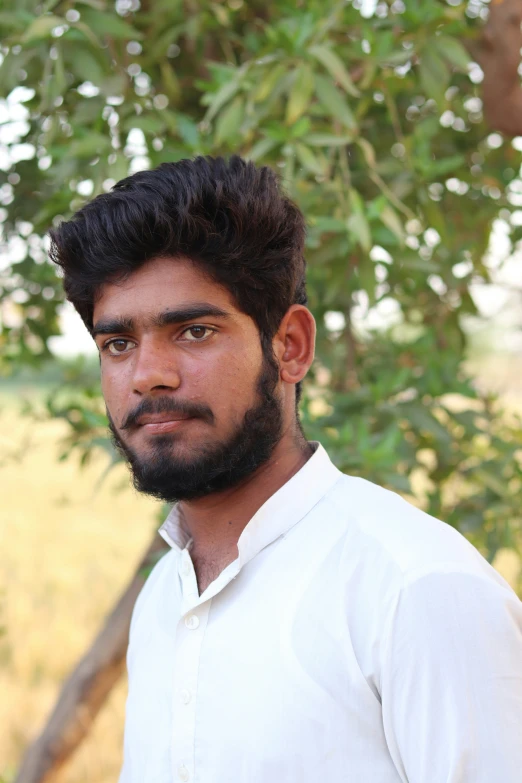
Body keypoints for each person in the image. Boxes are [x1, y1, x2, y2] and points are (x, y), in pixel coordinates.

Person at [49, 156, 522, 783]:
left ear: (290, 346)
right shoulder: (165, 596)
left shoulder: (415, 590)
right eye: (118, 344)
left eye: (193, 330)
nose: (147, 375)